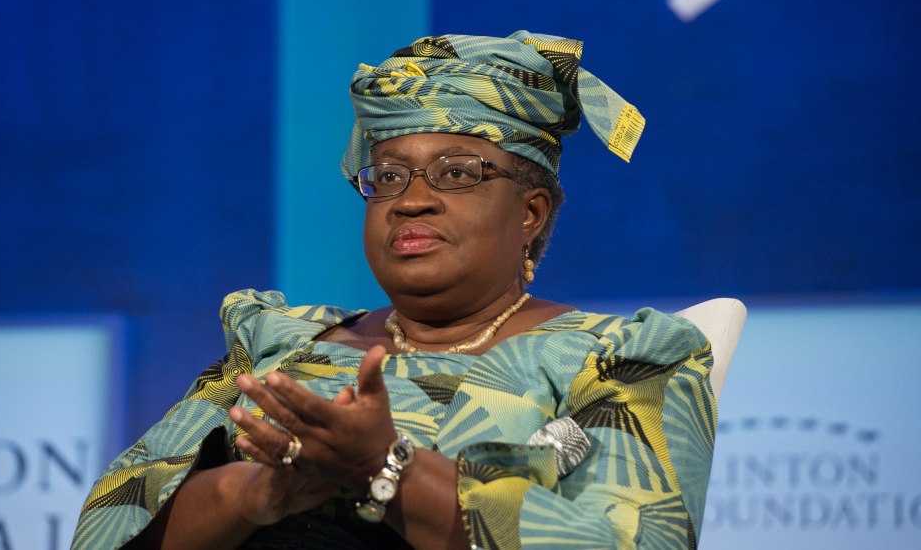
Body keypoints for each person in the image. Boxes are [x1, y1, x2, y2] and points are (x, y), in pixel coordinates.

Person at [73, 32, 717, 550]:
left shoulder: (622, 360)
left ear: (531, 211)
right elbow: (112, 522)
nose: (410, 201)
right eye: (387, 176)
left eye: (456, 173)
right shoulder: (281, 344)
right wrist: (252, 495)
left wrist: (386, 466)